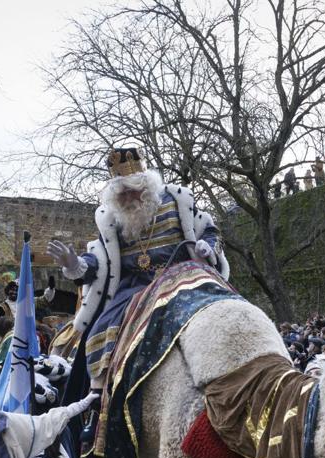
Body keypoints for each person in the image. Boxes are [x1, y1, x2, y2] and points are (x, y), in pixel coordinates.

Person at [46, 147, 226, 400]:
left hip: (183, 275)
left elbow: (210, 230)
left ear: (147, 186)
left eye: (134, 190)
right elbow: (99, 260)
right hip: (136, 286)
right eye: (122, 193)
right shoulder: (112, 219)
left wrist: (207, 247)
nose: (129, 197)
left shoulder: (177, 201)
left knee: (223, 306)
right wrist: (74, 263)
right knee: (101, 328)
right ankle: (97, 398)